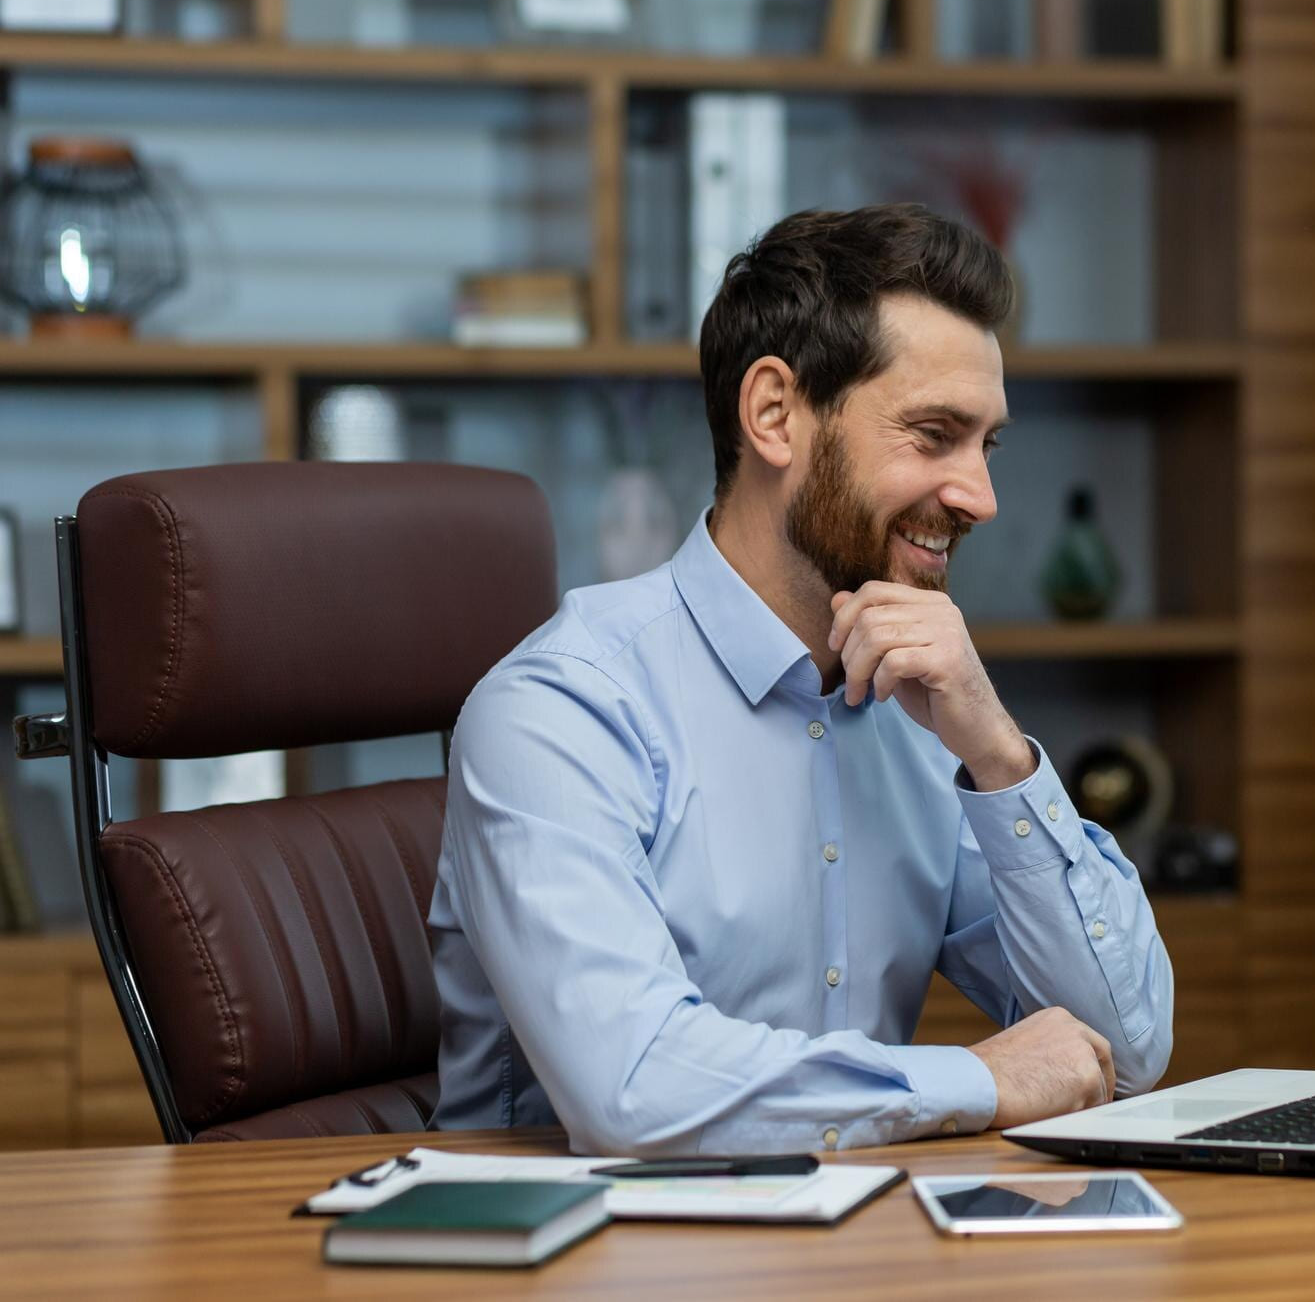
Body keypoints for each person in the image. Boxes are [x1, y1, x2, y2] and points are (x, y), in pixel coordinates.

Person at [429, 204, 1175, 1155]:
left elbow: (1129, 1046)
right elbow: (634, 1086)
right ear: (775, 415)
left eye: (987, 445)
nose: (980, 497)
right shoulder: (562, 709)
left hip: (860, 1246)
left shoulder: (921, 706)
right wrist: (981, 1078)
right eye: (934, 433)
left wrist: (997, 754)